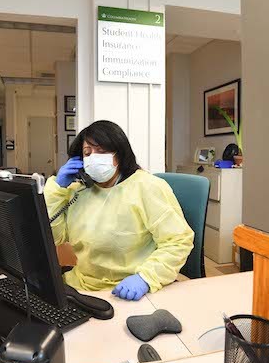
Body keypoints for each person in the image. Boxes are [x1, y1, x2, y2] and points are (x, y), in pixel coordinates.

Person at [44, 120, 194, 301]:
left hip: (130, 289)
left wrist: (146, 278)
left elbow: (178, 241)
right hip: (82, 286)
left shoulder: (147, 186)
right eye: (87, 153)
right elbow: (54, 237)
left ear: (120, 154)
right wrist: (57, 189)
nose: (94, 157)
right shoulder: (78, 190)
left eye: (102, 151)